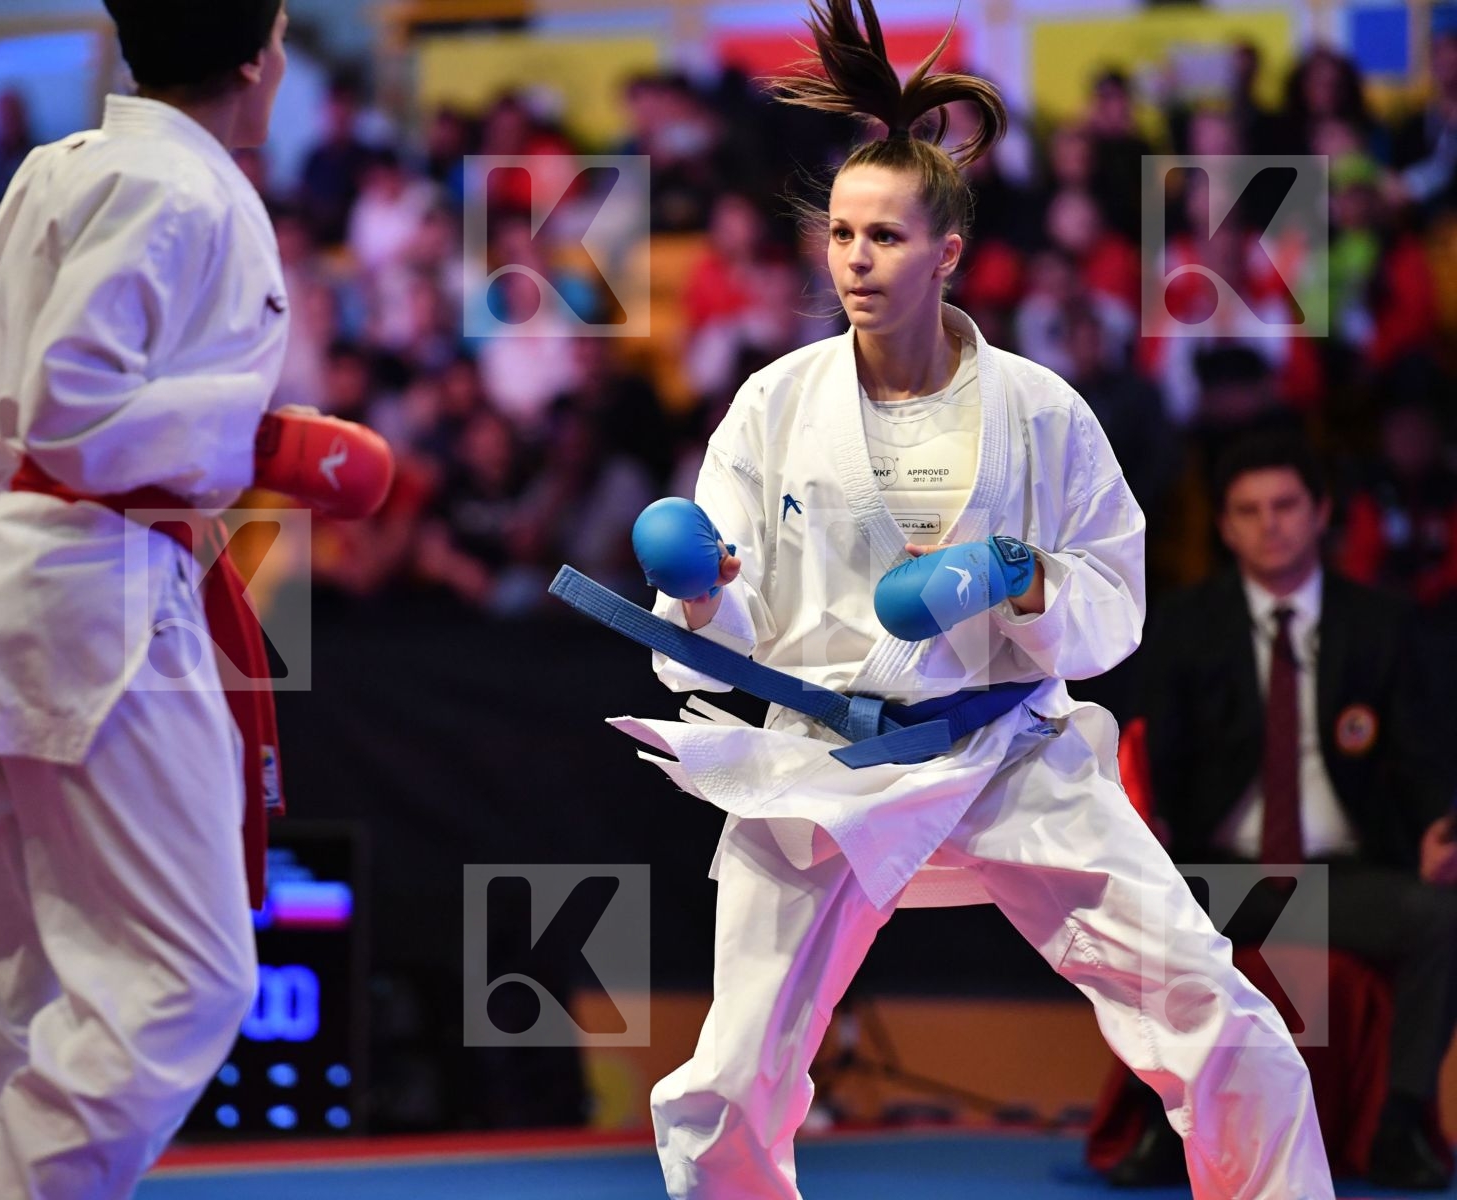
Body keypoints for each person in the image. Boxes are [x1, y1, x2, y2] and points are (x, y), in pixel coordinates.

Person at [600, 3, 1334, 1196]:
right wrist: (703, 599)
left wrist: (1022, 576)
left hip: (1005, 751)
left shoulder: (1042, 411)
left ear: (947, 253)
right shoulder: (774, 408)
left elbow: (1116, 604)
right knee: (729, 1082)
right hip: (828, 760)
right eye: (840, 235)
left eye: (884, 238)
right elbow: (723, 651)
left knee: (1222, 1017)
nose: (854, 261)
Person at [0, 3, 312, 1197]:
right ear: (258, 58)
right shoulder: (189, 192)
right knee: (191, 981)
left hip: (22, 576)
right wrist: (258, 442)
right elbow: (68, 406)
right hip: (97, 603)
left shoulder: (62, 169)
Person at [1140, 432, 1457, 1190]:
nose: (1269, 524)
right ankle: (1162, 1124)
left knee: (1442, 916)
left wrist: (1438, 829)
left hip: (1343, 874)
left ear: (1321, 513)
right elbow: (1157, 759)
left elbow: (1422, 758)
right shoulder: (1187, 626)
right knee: (1142, 911)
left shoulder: (1383, 626)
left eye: (1286, 505)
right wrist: (1145, 823)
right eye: (1248, 511)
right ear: (1223, 526)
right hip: (1225, 875)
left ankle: (1399, 1123)